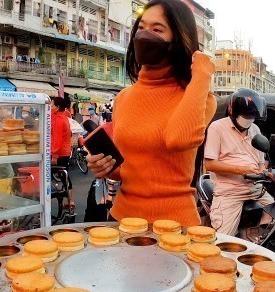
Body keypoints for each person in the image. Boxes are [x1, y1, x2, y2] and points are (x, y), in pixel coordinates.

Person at [86, 0, 216, 225]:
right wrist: (105, 167)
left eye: (157, 30)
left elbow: (179, 139)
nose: (145, 35)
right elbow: (129, 169)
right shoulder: (124, 98)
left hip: (175, 227)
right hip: (123, 221)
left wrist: (202, 74)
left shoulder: (198, 97)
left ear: (178, 39)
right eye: (142, 28)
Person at [204, 88, 274, 236]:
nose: (249, 119)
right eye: (246, 115)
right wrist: (242, 170)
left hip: (256, 189)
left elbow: (261, 162)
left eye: (252, 116)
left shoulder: (255, 129)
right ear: (233, 112)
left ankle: (257, 239)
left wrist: (262, 171)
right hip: (229, 191)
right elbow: (210, 165)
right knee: (224, 240)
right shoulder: (217, 128)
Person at [51, 97, 74, 209]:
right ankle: (70, 201)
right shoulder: (64, 116)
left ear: (58, 107)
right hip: (65, 151)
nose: (51, 107)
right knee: (65, 176)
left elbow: (57, 139)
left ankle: (71, 201)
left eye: (52, 105)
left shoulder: (59, 120)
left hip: (60, 153)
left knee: (64, 177)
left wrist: (54, 155)